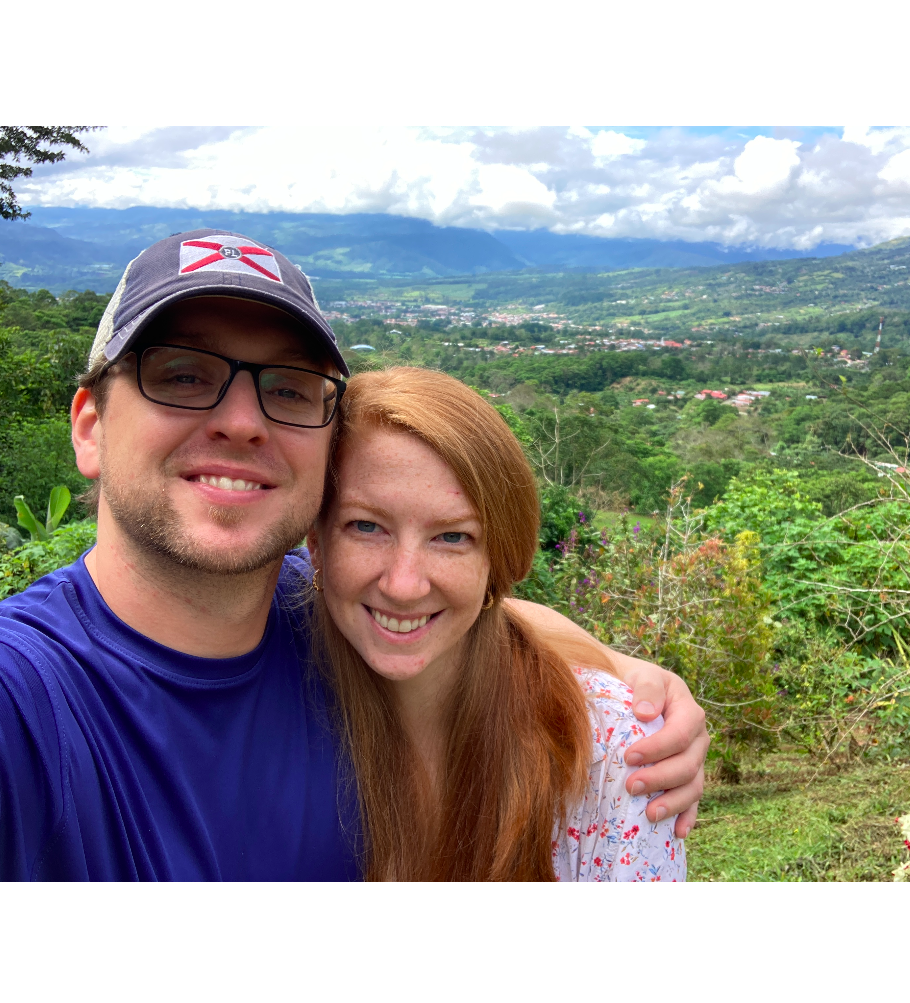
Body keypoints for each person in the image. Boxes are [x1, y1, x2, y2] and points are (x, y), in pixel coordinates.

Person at [0, 229, 707, 881]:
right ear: (90, 428)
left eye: (286, 389)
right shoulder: (30, 701)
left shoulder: (327, 619)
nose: (243, 422)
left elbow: (451, 604)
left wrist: (623, 684)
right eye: (181, 374)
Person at [309, 367, 686, 881]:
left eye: (453, 537)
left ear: (498, 560)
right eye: (366, 526)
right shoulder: (272, 691)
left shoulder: (610, 757)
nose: (403, 584)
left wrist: (621, 677)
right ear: (316, 539)